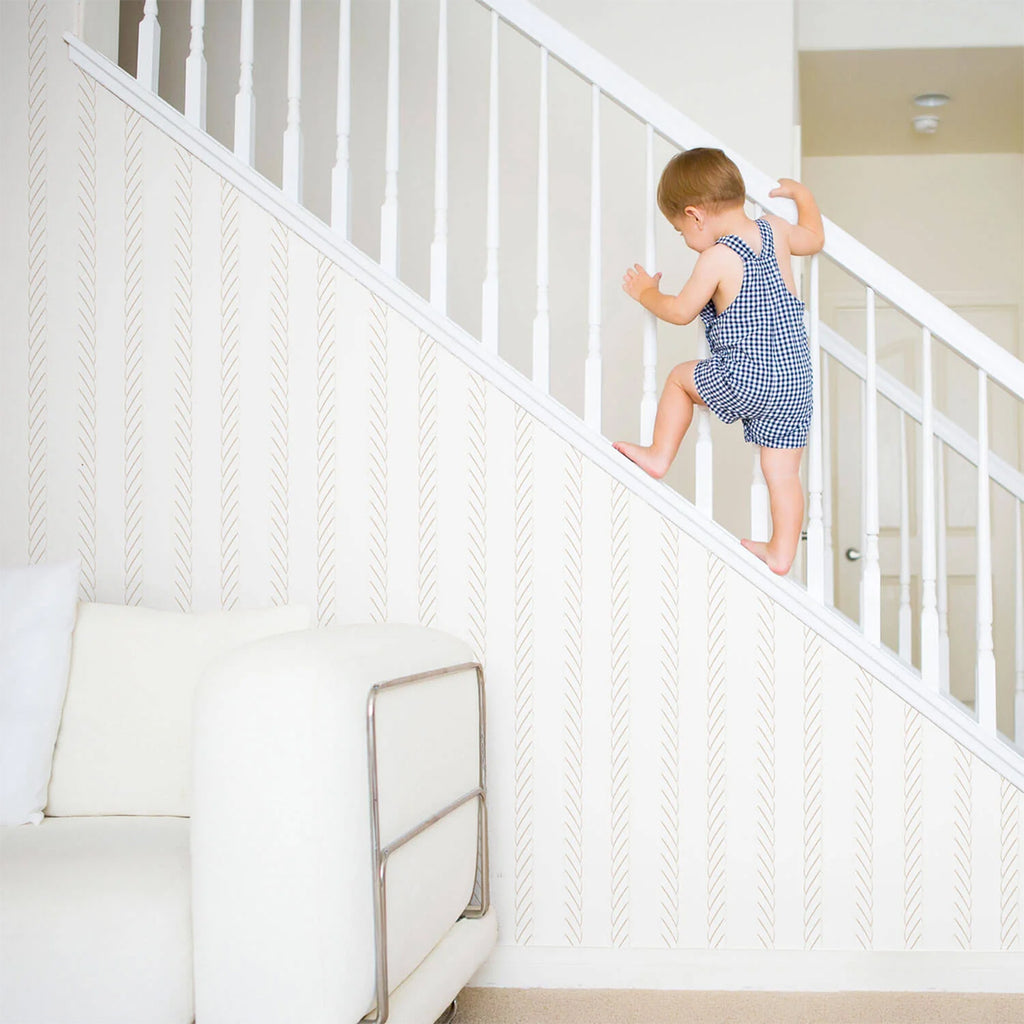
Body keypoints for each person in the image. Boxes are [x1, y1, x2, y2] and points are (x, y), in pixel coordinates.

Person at [613, 147, 825, 576]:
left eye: (679, 231)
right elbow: (815, 238)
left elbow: (678, 311)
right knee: (782, 473)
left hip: (748, 375)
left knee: (677, 379)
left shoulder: (717, 258)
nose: (685, 239)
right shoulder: (777, 230)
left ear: (694, 215)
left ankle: (658, 455)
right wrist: (803, 195)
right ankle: (782, 553)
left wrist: (645, 293)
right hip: (796, 380)